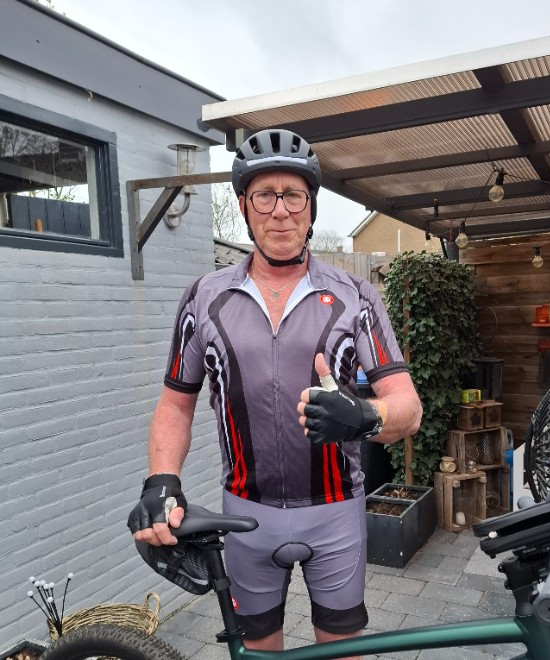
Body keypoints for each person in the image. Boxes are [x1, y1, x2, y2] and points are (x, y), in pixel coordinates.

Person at [128, 128, 422, 653]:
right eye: (265, 195)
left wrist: (364, 416)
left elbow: (408, 408)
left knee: (341, 649)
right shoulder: (204, 299)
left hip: (336, 513)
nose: (280, 211)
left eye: (294, 196)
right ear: (244, 205)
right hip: (247, 515)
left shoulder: (356, 296)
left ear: (311, 208)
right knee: (258, 650)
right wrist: (161, 481)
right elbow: (175, 404)